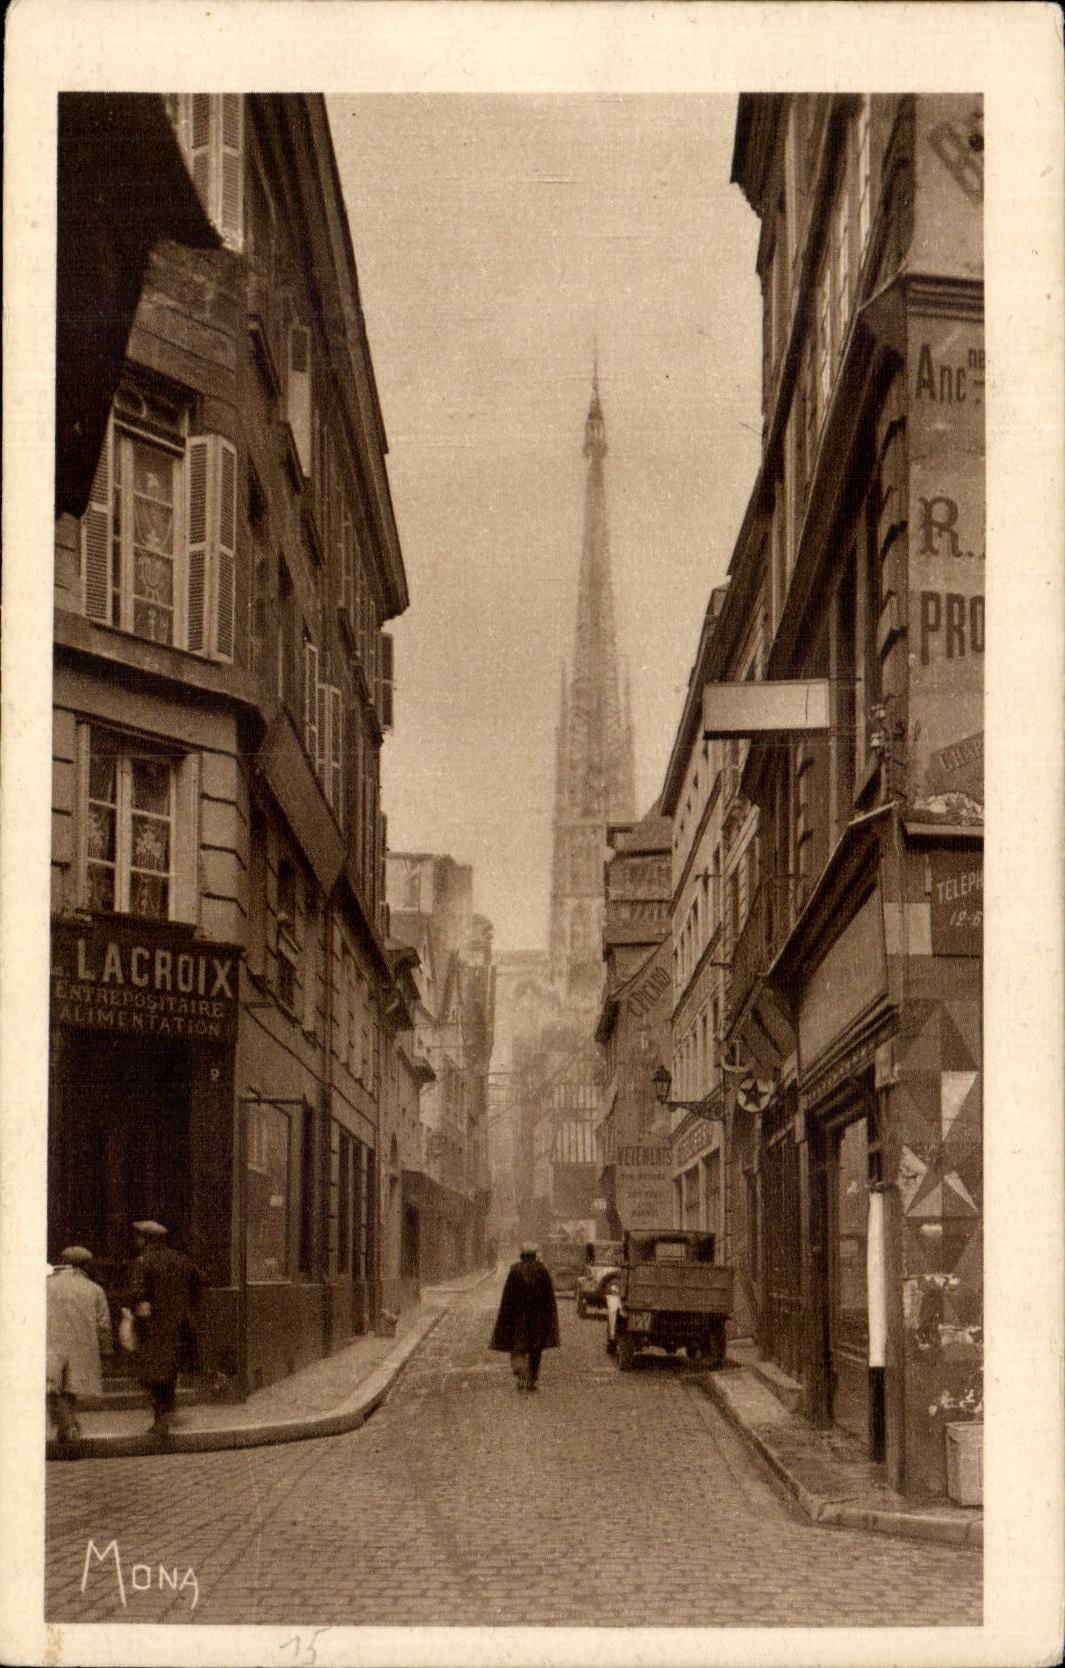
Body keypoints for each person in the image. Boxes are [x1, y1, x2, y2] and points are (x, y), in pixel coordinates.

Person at [128, 1220, 205, 1438]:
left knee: (150, 1372)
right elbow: (200, 1282)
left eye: (139, 1237)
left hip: (153, 1327)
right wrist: (187, 1307)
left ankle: (161, 1419)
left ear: (146, 1239)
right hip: (179, 1327)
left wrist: (137, 1310)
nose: (136, 1241)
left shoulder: (144, 1261)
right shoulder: (182, 1260)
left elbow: (137, 1292)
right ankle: (166, 1413)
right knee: (169, 1371)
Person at [46, 1246, 113, 1453]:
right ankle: (68, 1427)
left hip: (50, 1344)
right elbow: (103, 1324)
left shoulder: (44, 1285)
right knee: (70, 1388)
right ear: (84, 1266)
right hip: (81, 1347)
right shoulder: (94, 1289)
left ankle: (68, 1426)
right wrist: (107, 1351)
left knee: (50, 1386)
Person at [489, 1242, 560, 1393]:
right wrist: (549, 1320)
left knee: (519, 1348)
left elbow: (508, 1297)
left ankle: (521, 1376)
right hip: (538, 1318)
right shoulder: (542, 1271)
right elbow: (549, 1298)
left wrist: (506, 1318)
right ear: (535, 1255)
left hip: (519, 1317)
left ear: (522, 1255)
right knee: (535, 1350)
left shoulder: (515, 1270)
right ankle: (532, 1381)